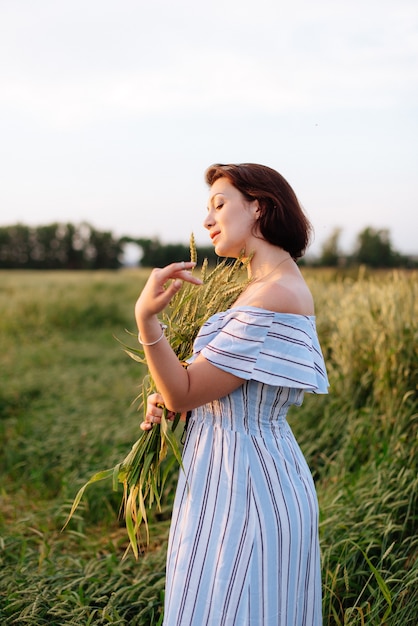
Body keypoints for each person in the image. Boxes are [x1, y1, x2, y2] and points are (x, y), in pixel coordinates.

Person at [134, 163, 329, 626]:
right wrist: (170, 395)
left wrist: (147, 321)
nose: (206, 221)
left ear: (258, 207)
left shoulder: (274, 294)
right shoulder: (262, 288)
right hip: (230, 473)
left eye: (219, 204)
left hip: (246, 486)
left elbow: (186, 392)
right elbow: (202, 389)